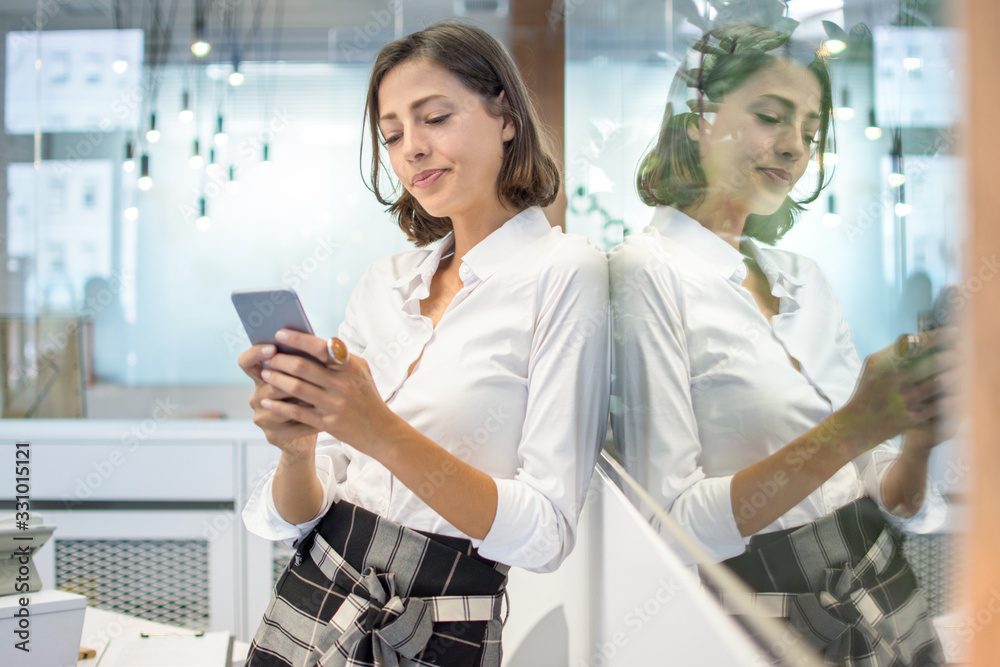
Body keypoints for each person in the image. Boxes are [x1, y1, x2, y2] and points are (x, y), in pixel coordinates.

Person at [237, 20, 609, 667]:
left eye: (434, 117)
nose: (411, 148)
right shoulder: (384, 282)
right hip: (314, 587)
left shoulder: (564, 270)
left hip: (441, 623)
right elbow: (286, 517)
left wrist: (376, 427)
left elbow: (545, 534)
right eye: (392, 134)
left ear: (506, 115)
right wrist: (298, 448)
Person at [609, 20, 952, 666]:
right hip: (763, 616)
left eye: (812, 131)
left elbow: (882, 489)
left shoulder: (805, 279)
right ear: (695, 120)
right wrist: (853, 426)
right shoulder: (646, 272)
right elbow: (670, 528)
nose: (795, 147)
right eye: (772, 116)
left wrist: (918, 433)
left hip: (881, 591)